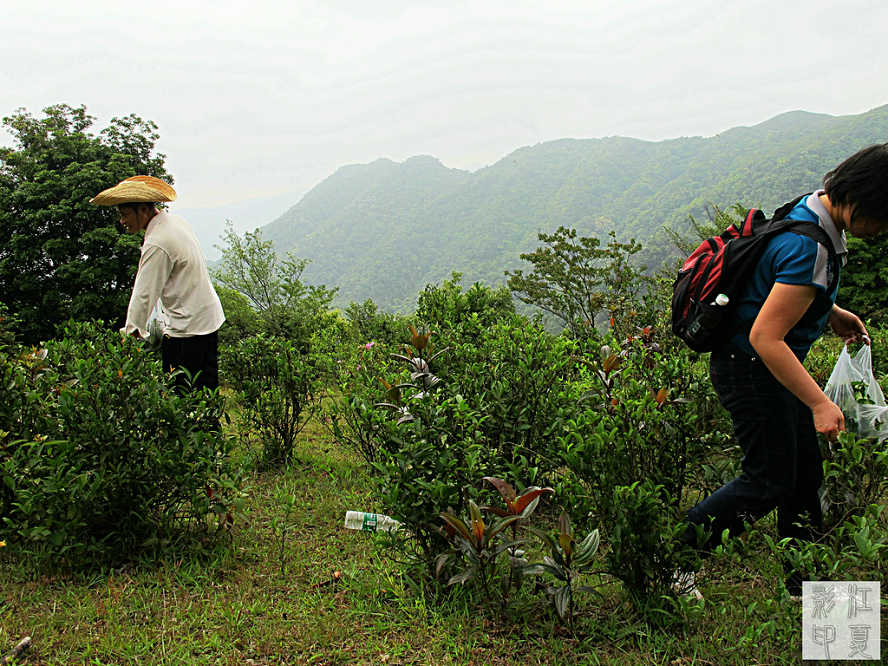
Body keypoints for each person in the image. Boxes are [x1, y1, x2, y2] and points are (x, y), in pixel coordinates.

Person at [682, 143, 888, 597]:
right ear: (860, 198)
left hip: (764, 365)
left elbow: (776, 282)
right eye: (883, 218)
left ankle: (805, 583)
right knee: (769, 479)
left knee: (803, 476)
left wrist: (831, 310)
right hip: (751, 367)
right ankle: (674, 560)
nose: (882, 231)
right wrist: (818, 401)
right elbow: (765, 337)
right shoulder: (808, 245)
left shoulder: (812, 210)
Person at [91, 176, 225, 393]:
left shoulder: (157, 242)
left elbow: (143, 295)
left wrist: (131, 336)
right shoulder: (176, 222)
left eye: (125, 215)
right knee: (206, 392)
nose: (122, 221)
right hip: (208, 319)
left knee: (181, 396)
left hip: (186, 330)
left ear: (143, 209)